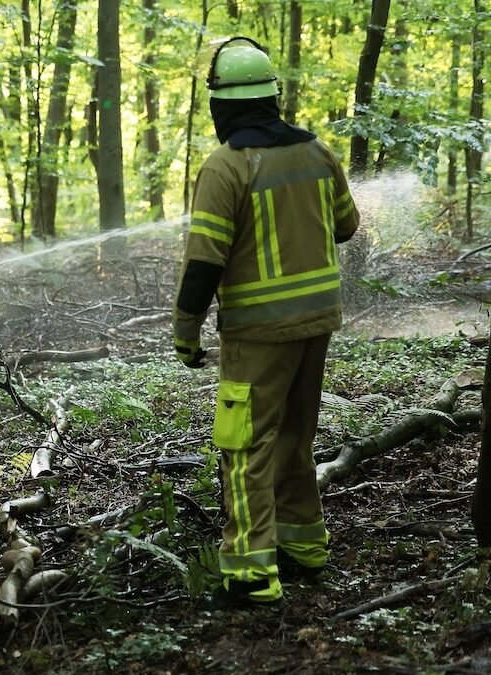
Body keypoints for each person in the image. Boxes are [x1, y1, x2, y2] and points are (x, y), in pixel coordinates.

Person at [172, 37, 359, 607]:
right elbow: (347, 226)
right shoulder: (318, 153)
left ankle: (251, 573)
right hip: (316, 323)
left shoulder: (226, 167)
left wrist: (185, 333)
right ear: (273, 99)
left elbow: (204, 262)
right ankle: (305, 546)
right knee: (297, 436)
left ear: (223, 104)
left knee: (245, 445)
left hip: (257, 334)